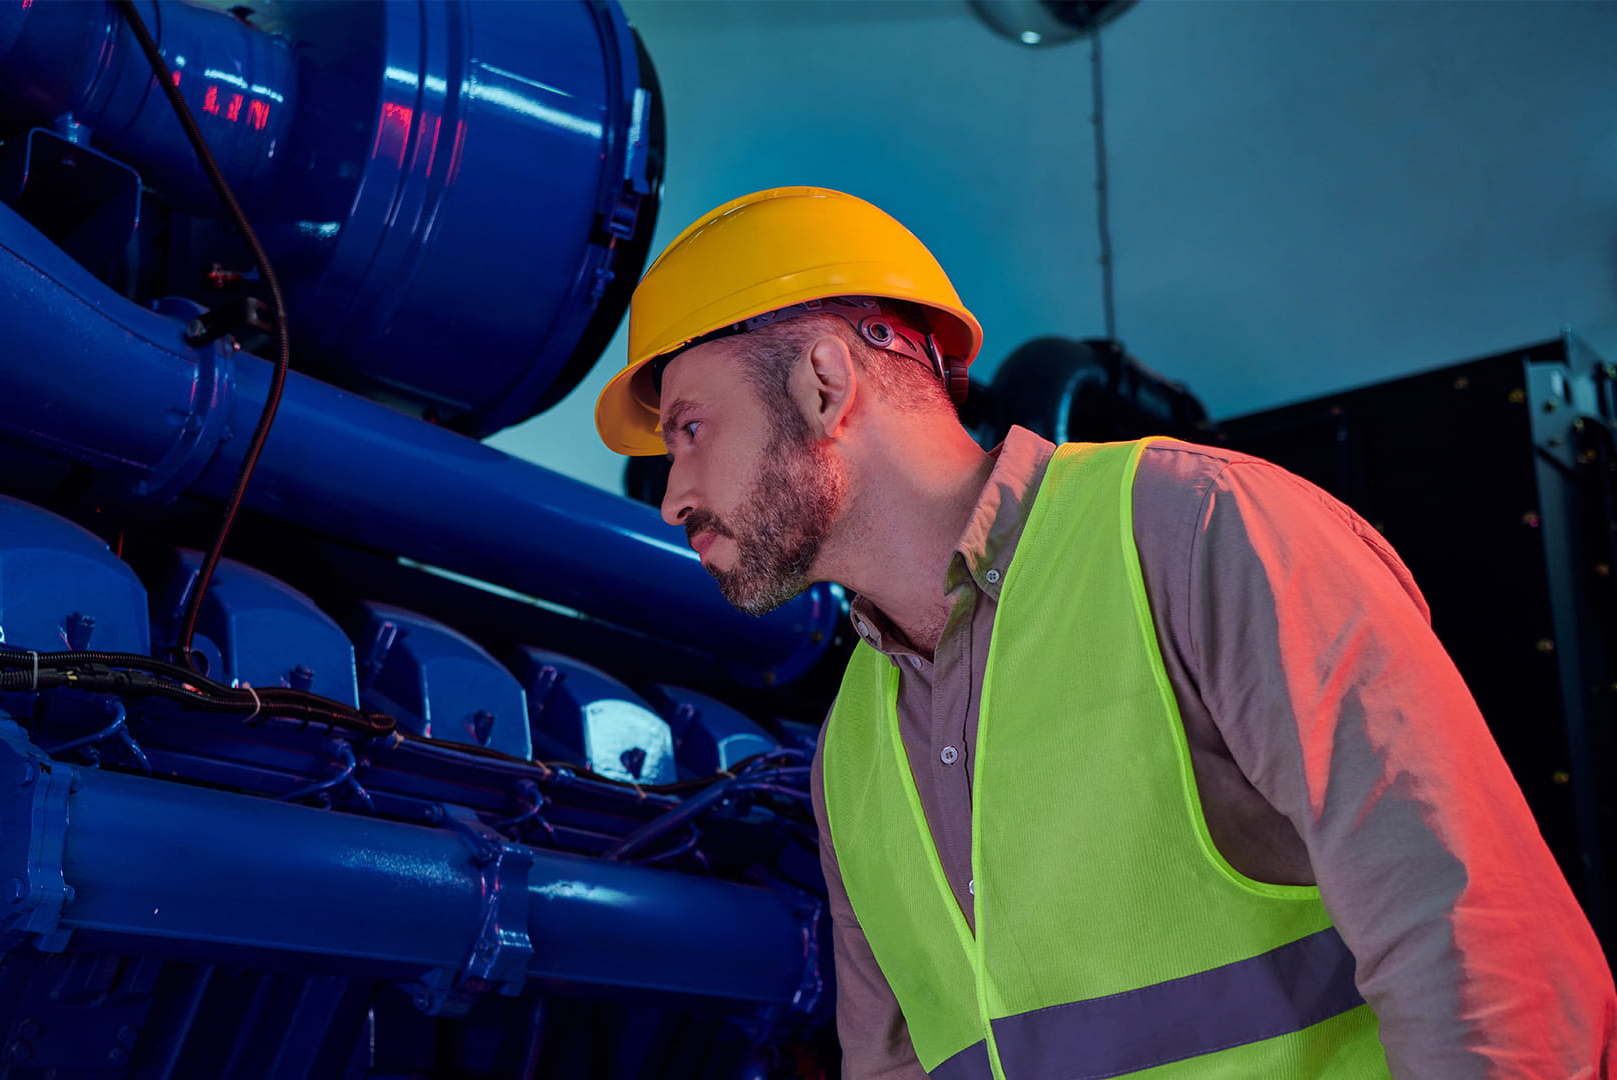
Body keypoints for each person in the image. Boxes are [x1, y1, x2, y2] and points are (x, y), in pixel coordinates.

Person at [593, 187, 1615, 1079]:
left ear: (825, 382)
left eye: (690, 428)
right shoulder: (851, 749)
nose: (674, 492)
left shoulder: (1201, 535)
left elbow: (1488, 955)